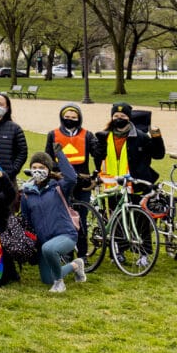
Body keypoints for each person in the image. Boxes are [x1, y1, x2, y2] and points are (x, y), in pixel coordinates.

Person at [18, 150, 85, 292]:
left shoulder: (59, 187)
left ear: (48, 170)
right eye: (34, 167)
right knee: (47, 279)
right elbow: (27, 220)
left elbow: (72, 178)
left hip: (66, 235)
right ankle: (76, 265)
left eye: (42, 168)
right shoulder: (26, 194)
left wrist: (59, 154)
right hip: (43, 242)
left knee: (49, 249)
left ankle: (60, 283)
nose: (37, 171)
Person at [43, 102, 103, 258]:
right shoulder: (53, 134)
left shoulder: (87, 135)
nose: (70, 119)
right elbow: (48, 157)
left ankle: (82, 255)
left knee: (81, 219)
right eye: (67, 117)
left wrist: (100, 145)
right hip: (61, 181)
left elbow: (97, 153)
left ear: (79, 118)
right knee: (63, 218)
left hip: (82, 183)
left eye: (73, 117)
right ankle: (66, 252)